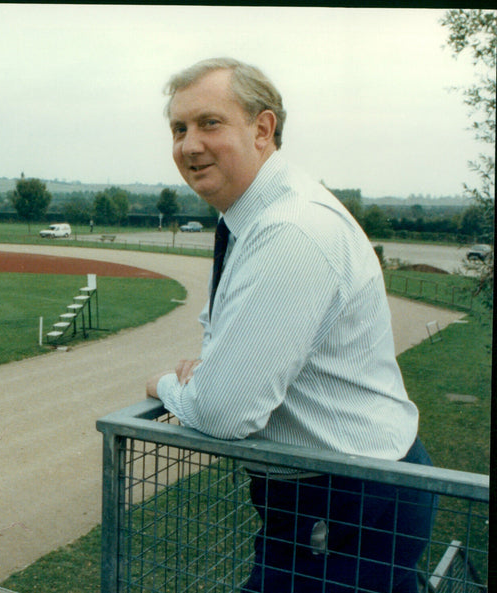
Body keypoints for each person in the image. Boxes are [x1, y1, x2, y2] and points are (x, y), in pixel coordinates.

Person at [146, 57, 435, 592]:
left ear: (263, 129)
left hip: (345, 499)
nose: (189, 145)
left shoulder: (291, 231)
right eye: (179, 129)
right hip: (334, 491)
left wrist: (165, 386)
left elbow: (226, 412)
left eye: (210, 123)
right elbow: (225, 346)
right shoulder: (253, 217)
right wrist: (214, 375)